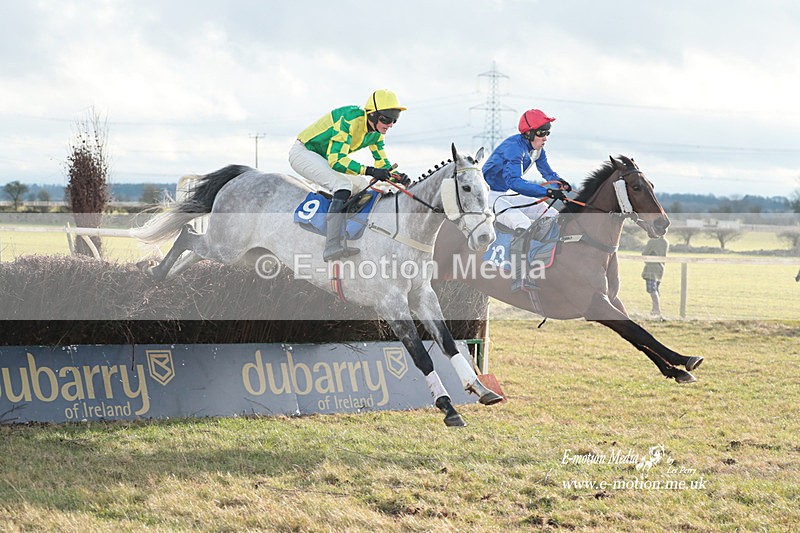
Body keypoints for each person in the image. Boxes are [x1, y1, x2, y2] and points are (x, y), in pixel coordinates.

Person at [289, 89, 407, 261]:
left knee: (360, 184)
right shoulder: (349, 119)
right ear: (372, 115)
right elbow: (336, 160)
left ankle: (348, 233)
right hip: (303, 153)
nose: (390, 125)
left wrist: (396, 176)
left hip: (322, 158)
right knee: (342, 185)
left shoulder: (376, 135)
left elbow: (382, 164)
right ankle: (331, 245)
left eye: (394, 121)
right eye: (386, 119)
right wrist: (371, 171)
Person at [481, 108, 571, 291]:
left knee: (551, 213)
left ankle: (543, 260)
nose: (545, 137)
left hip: (505, 194)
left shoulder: (538, 149)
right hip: (486, 194)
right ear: (529, 133)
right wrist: (544, 191)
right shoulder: (514, 148)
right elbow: (514, 181)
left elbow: (548, 173)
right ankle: (518, 276)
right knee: (521, 221)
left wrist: (560, 185)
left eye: (548, 133)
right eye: (541, 133)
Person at [642, 235, 669, 318]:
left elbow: (644, 254)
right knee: (656, 289)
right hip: (660, 268)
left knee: (652, 290)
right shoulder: (665, 242)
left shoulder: (652, 241)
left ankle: (656, 310)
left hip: (651, 268)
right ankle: (654, 310)